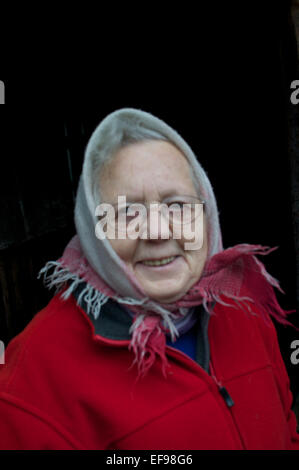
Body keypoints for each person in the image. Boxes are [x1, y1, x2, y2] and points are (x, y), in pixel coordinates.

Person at [0, 108, 298, 450]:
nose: (157, 231)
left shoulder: (242, 307)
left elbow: (286, 427)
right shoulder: (33, 380)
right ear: (92, 229)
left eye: (177, 205)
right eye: (127, 212)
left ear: (207, 213)